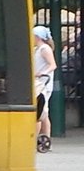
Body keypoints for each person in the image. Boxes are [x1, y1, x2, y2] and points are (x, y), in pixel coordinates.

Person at [33, 24, 56, 153]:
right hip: (38, 83)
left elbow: (52, 65)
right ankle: (46, 139)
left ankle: (39, 138)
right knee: (43, 113)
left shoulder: (44, 49)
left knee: (40, 112)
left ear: (38, 37)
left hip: (43, 84)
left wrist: (42, 73)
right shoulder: (37, 49)